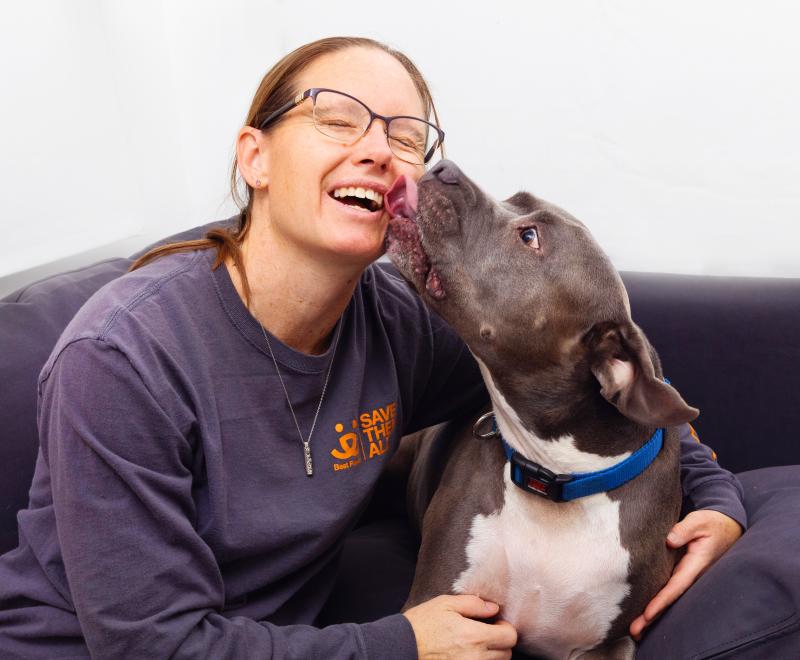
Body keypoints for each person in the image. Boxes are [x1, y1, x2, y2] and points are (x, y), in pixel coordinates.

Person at [0, 36, 745, 659]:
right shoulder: (121, 357)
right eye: (337, 119)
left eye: (405, 135)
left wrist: (716, 500)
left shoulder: (401, 324)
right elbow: (151, 648)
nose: (378, 150)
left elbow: (594, 385)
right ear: (255, 158)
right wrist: (398, 645)